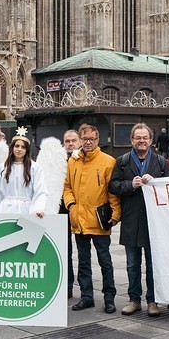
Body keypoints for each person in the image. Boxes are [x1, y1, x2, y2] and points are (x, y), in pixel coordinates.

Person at [110, 123, 169, 317]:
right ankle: (134, 299)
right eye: (138, 138)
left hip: (154, 223)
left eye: (145, 138)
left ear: (151, 141)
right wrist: (130, 184)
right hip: (131, 220)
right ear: (132, 140)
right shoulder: (122, 161)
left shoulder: (161, 162)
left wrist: (156, 183)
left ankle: (152, 301)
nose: (142, 141)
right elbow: (113, 186)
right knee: (132, 264)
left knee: (153, 265)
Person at [63, 123, 120, 314]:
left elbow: (112, 191)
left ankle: (109, 297)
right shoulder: (73, 161)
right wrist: (71, 205)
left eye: (92, 139)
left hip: (99, 219)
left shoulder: (108, 161)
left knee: (105, 260)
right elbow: (67, 187)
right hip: (79, 219)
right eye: (84, 139)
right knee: (83, 260)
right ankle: (87, 296)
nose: (88, 142)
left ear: (98, 140)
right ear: (80, 140)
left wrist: (115, 214)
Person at [0, 134, 49, 215]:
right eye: (17, 146)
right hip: (6, 209)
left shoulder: (34, 167)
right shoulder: (3, 167)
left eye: (23, 147)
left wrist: (38, 209)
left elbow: (40, 190)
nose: (19, 149)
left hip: (26, 209)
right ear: (12, 148)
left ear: (27, 150)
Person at [61, 129, 81, 297]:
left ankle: (85, 289)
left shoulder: (83, 159)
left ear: (79, 142)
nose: (70, 143)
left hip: (80, 210)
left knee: (83, 252)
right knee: (64, 250)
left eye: (74, 140)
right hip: (62, 211)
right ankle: (66, 285)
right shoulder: (58, 161)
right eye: (67, 141)